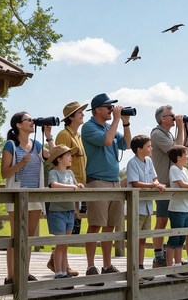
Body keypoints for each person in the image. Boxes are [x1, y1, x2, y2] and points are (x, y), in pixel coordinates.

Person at [81, 93, 132, 286]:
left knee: (110, 225)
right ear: (96, 110)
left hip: (114, 182)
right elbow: (107, 141)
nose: (111, 110)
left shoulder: (110, 127)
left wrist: (125, 123)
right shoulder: (89, 127)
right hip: (97, 181)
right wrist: (117, 120)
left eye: (113, 107)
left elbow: (127, 144)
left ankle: (107, 265)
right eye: (108, 107)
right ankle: (90, 267)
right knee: (95, 224)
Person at [1, 111, 55, 284]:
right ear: (18, 125)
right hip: (16, 195)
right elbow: (4, 173)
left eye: (32, 120)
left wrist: (48, 136)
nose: (32, 122)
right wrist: (20, 164)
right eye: (28, 120)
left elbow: (55, 156)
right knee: (17, 235)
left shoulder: (37, 145)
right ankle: (11, 276)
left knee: (29, 237)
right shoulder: (10, 145)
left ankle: (24, 272)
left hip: (34, 195)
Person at [47, 101, 88, 276]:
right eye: (79, 112)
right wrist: (48, 138)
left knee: (70, 233)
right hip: (65, 191)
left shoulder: (78, 135)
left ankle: (60, 265)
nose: (83, 114)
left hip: (73, 190)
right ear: (70, 117)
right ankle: (62, 268)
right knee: (62, 237)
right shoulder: (64, 134)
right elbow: (56, 153)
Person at [150, 105, 188, 268]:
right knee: (162, 219)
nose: (174, 118)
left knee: (174, 220)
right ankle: (158, 255)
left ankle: (170, 256)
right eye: (171, 116)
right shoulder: (157, 133)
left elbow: (184, 149)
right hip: (164, 183)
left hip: (172, 182)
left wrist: (185, 129)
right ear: (162, 118)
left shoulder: (168, 134)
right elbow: (176, 151)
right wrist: (180, 128)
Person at [126, 135, 166, 283]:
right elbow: (135, 183)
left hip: (148, 207)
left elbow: (154, 178)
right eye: (148, 146)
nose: (151, 149)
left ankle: (141, 268)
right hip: (137, 207)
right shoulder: (132, 163)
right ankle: (133, 270)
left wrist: (157, 183)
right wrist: (154, 185)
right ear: (139, 149)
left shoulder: (149, 161)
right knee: (134, 239)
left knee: (142, 240)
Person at [47, 144, 85, 289]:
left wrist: (79, 185)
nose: (71, 158)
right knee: (60, 243)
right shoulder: (53, 173)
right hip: (57, 212)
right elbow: (54, 185)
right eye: (68, 155)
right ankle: (58, 273)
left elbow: (75, 185)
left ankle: (64, 271)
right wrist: (72, 187)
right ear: (59, 159)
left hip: (70, 211)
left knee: (65, 243)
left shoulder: (70, 174)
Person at [166, 145, 188, 279]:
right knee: (175, 237)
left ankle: (178, 266)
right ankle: (170, 268)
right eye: (186, 154)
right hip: (176, 208)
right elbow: (181, 184)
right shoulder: (173, 169)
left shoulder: (185, 170)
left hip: (185, 208)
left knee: (182, 238)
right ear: (178, 157)